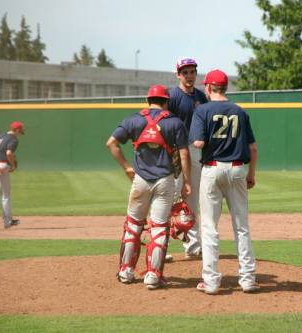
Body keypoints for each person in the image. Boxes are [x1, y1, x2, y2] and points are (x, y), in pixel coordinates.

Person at [106, 85, 191, 290]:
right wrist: (187, 181)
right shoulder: (174, 122)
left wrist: (127, 167)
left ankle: (126, 271)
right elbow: (184, 155)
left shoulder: (133, 120)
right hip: (165, 180)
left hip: (140, 180)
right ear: (166, 101)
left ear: (148, 99)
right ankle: (153, 276)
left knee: (133, 225)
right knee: (159, 228)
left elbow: (111, 143)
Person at [189, 69, 259, 295]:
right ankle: (247, 279)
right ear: (225, 87)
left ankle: (211, 281)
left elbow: (198, 143)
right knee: (242, 226)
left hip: (212, 169)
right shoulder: (240, 111)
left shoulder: (202, 110)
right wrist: (252, 175)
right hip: (238, 168)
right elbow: (253, 148)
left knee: (210, 227)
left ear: (208, 88)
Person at [168, 57, 208, 259]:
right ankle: (161, 245)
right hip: (175, 151)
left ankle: (193, 247)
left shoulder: (201, 96)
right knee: (168, 198)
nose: (189, 75)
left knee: (192, 199)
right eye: (185, 72)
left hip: (194, 150)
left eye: (192, 71)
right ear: (178, 75)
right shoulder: (173, 96)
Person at [0, 121, 25, 229]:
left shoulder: (1, 135)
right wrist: (13, 165)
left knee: (6, 194)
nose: (22, 130)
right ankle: (7, 221)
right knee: (5, 195)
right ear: (17, 130)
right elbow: (9, 153)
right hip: (2, 166)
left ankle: (8, 222)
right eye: (21, 129)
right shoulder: (13, 139)